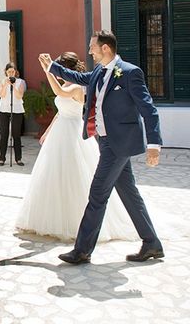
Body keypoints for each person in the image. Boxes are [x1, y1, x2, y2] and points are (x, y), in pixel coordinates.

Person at [40, 30, 164, 265]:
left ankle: (82, 250)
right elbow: (78, 78)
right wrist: (51, 66)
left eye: (92, 47)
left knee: (98, 193)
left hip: (119, 144)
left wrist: (154, 144)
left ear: (105, 48)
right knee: (129, 194)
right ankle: (152, 243)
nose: (89, 51)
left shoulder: (129, 73)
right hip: (105, 141)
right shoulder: (98, 72)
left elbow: (149, 109)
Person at [16, 52, 137, 242]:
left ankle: (78, 223)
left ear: (67, 69)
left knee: (75, 172)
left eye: (59, 68)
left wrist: (47, 69)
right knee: (54, 172)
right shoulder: (65, 84)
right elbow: (60, 111)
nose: (56, 72)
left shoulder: (78, 86)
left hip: (73, 133)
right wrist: (48, 131)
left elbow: (60, 94)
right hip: (60, 131)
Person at [0, 62, 25, 166]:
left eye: (12, 71)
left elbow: (19, 96)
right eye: (9, 72)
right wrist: (5, 85)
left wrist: (13, 85)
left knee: (16, 134)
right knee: (4, 134)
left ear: (15, 72)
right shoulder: (2, 82)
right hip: (4, 109)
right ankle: (2, 158)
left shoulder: (20, 82)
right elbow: (1, 95)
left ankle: (18, 158)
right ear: (6, 72)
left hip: (17, 109)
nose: (11, 73)